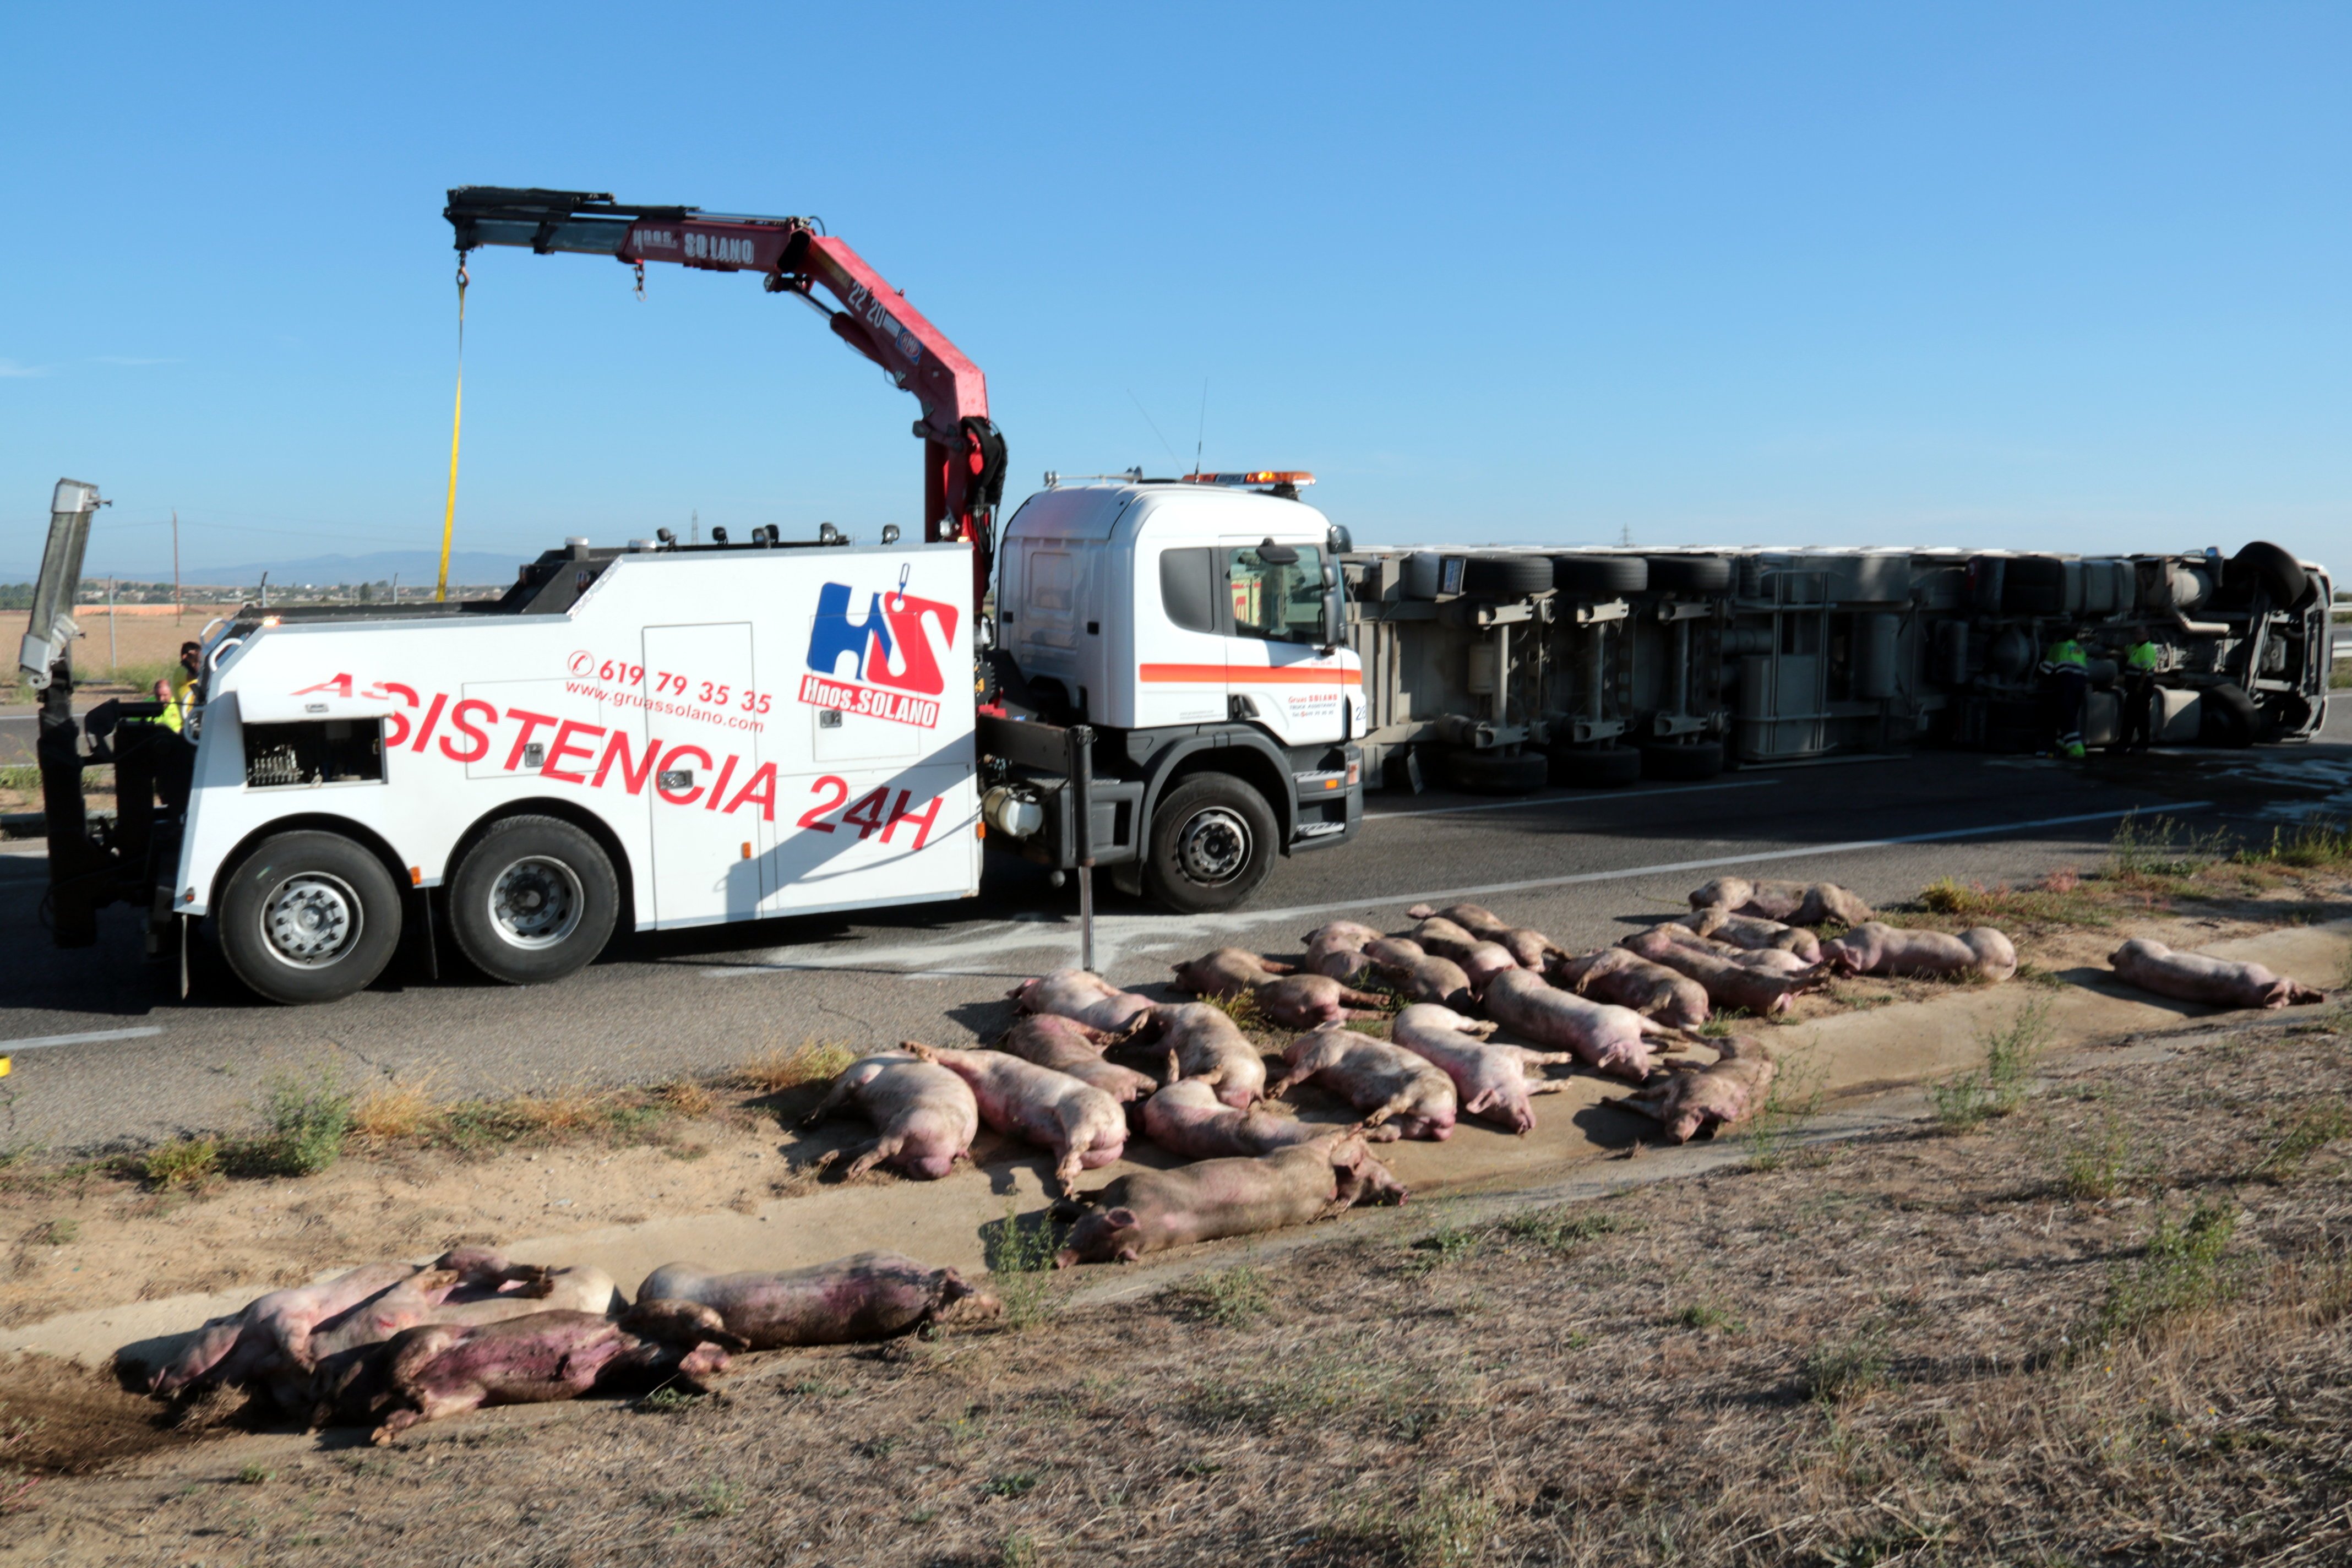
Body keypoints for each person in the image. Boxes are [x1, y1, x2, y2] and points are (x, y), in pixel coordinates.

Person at [2038, 627, 2089, 760]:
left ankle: (2077, 750)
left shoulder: (2058, 647)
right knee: (2070, 714)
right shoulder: (2080, 650)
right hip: (2081, 684)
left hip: (2067, 683)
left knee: (2067, 718)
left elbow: (2047, 669)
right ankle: (2061, 745)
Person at [2117, 637, 2161, 753]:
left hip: (2141, 689)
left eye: (2140, 633)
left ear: (2147, 635)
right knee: (2129, 717)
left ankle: (2143, 744)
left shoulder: (2147, 649)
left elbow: (2145, 670)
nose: (2137, 635)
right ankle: (2124, 743)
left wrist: (2140, 686)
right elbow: (2125, 649)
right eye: (2136, 633)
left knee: (2142, 717)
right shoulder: (2136, 648)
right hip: (2134, 689)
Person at [157, 640, 200, 733]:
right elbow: (194, 675)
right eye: (195, 658)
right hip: (190, 726)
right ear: (185, 657)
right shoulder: (180, 671)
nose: (199, 662)